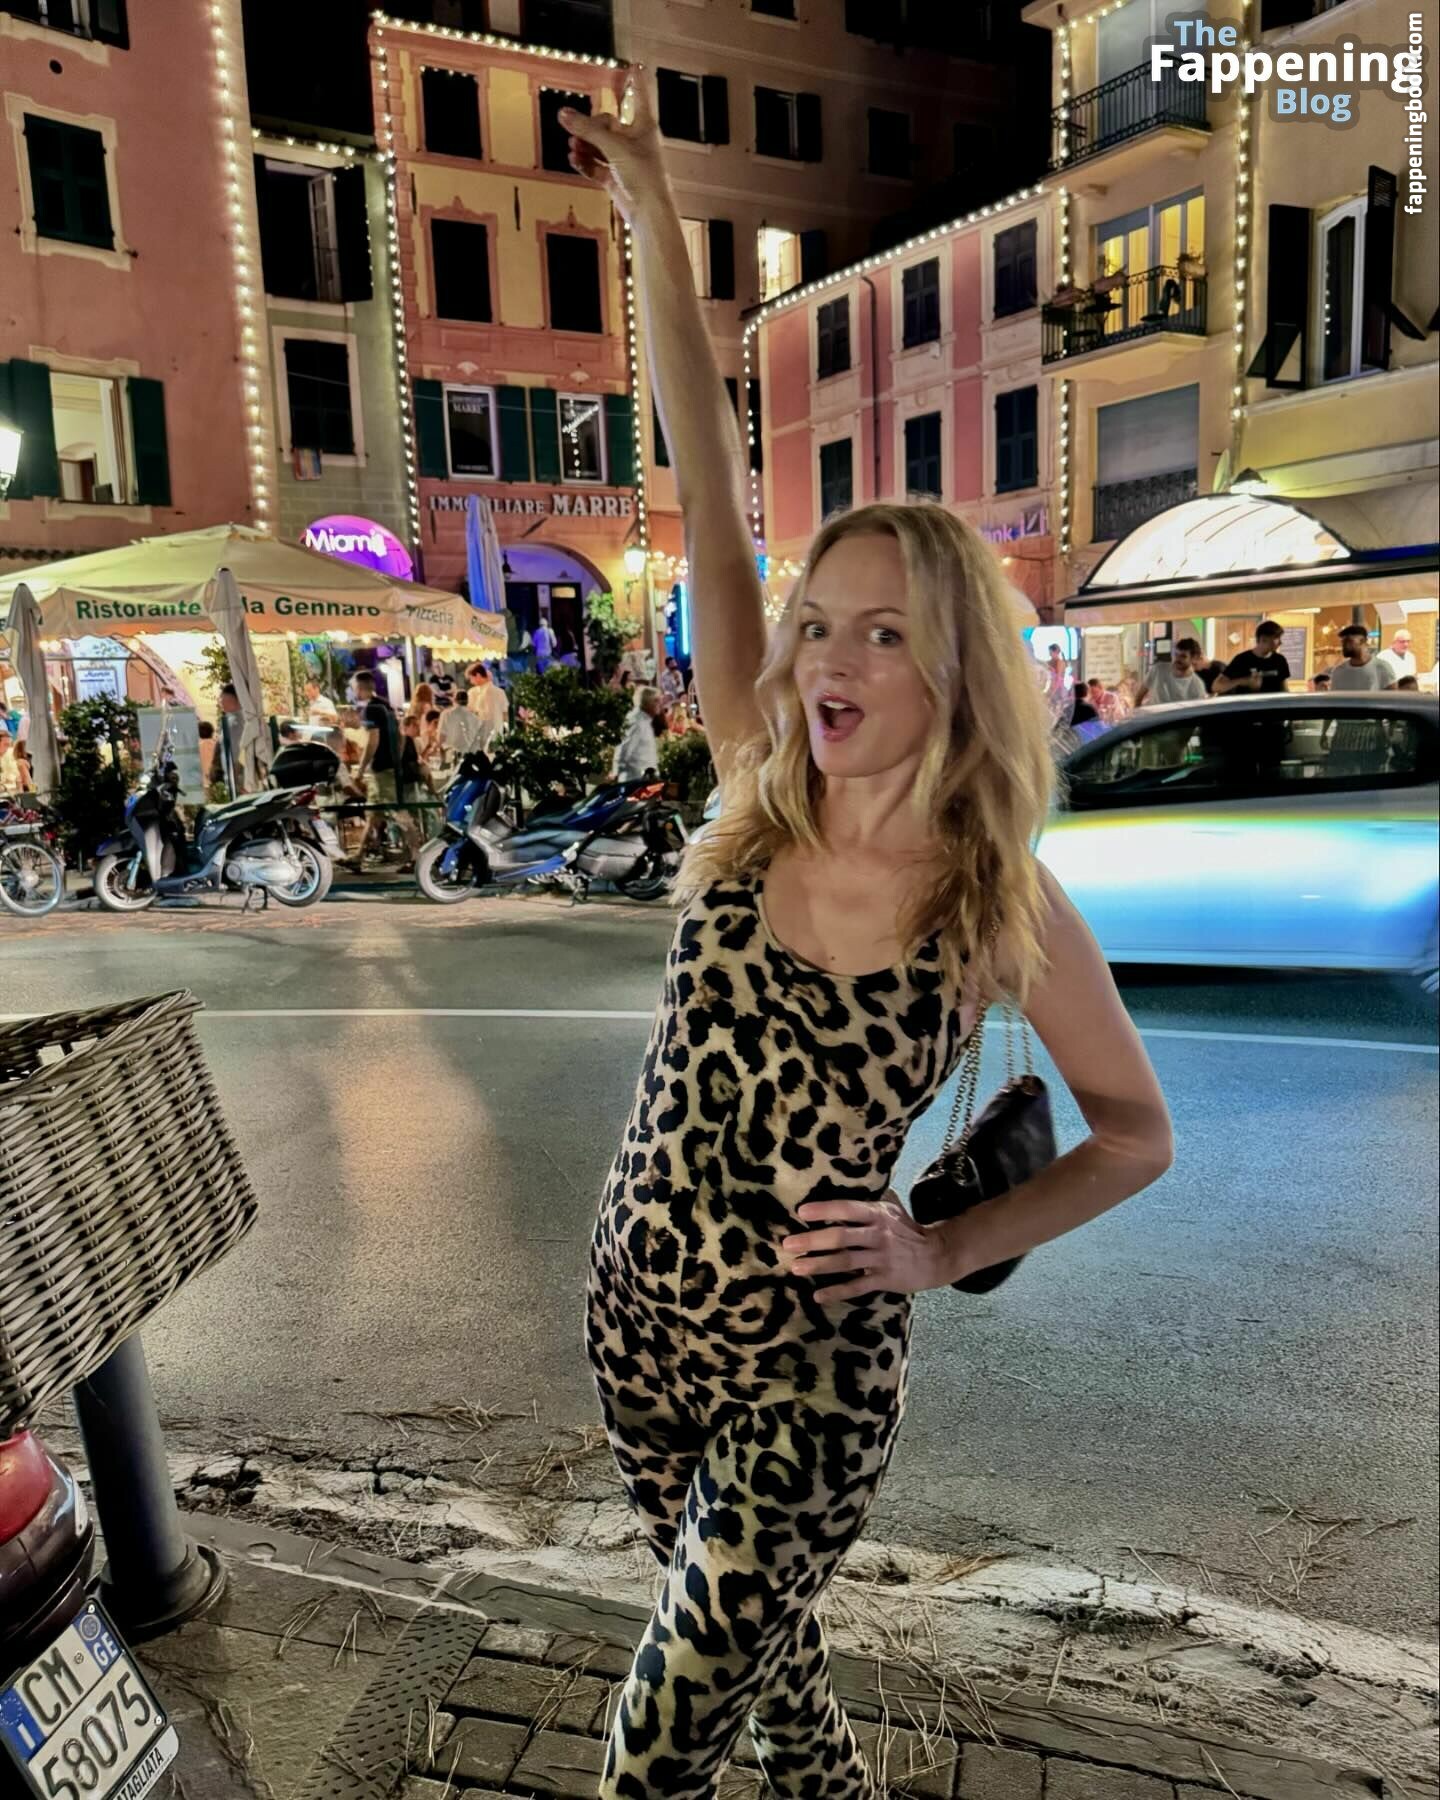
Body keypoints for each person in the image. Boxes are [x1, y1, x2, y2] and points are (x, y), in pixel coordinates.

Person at [561, 82, 1173, 1800]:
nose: (830, 659)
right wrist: (656, 217)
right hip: (634, 1315)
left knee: (658, 1747)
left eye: (883, 634)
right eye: (819, 623)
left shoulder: (998, 899)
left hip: (810, 1368)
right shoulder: (755, 790)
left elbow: (1137, 1134)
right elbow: (707, 474)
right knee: (763, 1669)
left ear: (954, 665)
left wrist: (936, 1247)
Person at [352, 670, 403, 861]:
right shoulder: (385, 705)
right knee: (374, 813)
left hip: (381, 768)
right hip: (389, 765)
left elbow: (372, 740)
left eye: (353, 687)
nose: (353, 691)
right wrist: (396, 758)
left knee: (397, 812)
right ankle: (359, 855)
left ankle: (415, 854)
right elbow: (400, 736)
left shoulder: (372, 709)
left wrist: (361, 769)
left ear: (360, 688)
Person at [1215, 621, 1291, 695]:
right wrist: (1242, 681)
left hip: (1274, 703)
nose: (1280, 642)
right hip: (1247, 703)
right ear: (1263, 639)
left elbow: (1284, 689)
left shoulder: (1280, 660)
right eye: (1277, 638)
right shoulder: (1242, 659)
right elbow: (1216, 686)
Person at [270, 720, 343, 790]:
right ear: (291, 734)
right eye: (298, 730)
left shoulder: (286, 748)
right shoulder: (294, 749)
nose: (300, 732)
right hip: (298, 785)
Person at [612, 685, 664, 782]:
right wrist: (616, 772)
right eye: (656, 700)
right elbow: (624, 749)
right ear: (647, 702)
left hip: (643, 779)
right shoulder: (637, 721)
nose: (660, 704)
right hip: (634, 780)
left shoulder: (644, 720)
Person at [1136, 638, 1207, 707]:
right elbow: (1139, 696)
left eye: (1183, 656)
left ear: (1193, 658)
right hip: (1152, 714)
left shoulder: (1197, 686)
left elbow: (1196, 711)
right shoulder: (1158, 670)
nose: (1177, 659)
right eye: (1176, 654)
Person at [1327, 624, 1397, 690]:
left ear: (1362, 641)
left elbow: (1393, 696)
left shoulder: (1382, 668)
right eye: (1342, 642)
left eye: (1348, 641)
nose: (1344, 645)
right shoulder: (1339, 672)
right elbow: (1334, 698)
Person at [466, 662, 510, 749]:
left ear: (478, 675)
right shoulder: (500, 692)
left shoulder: (472, 693)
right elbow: (505, 714)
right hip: (497, 734)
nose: (471, 682)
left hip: (480, 735)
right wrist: (506, 731)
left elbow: (470, 713)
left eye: (471, 678)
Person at [439, 688, 486, 760]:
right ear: (467, 701)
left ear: (454, 700)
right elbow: (481, 741)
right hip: (470, 756)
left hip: (452, 755)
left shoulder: (446, 714)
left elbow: (441, 738)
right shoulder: (475, 717)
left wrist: (442, 758)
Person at [0, 727, 31, 795]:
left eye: (9, 745)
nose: (8, 748)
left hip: (14, 794)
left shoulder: (17, 761)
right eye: (6, 745)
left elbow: (29, 785)